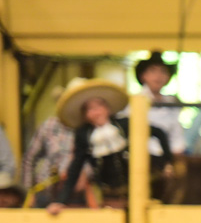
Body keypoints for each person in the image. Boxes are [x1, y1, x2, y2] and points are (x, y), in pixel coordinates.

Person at [54, 78, 175, 212]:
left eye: (99, 106)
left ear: (107, 108)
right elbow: (75, 167)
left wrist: (167, 162)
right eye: (90, 109)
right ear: (85, 115)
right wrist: (61, 201)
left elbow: (159, 133)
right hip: (108, 194)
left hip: (141, 188)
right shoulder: (84, 135)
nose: (96, 112)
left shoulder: (124, 125)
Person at [123, 51, 187, 158]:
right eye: (153, 71)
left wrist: (176, 155)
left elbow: (176, 132)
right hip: (141, 158)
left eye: (163, 71)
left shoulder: (171, 102)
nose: (158, 76)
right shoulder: (135, 102)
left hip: (167, 157)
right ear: (143, 76)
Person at [21, 88, 76, 201]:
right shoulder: (49, 126)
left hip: (76, 194)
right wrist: (27, 193)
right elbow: (29, 158)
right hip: (46, 191)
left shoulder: (85, 129)